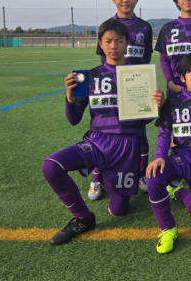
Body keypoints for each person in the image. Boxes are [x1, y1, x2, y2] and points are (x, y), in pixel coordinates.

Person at [42, 19, 164, 245]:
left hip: (127, 147)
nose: (113, 45)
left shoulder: (139, 75)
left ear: (127, 43)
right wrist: (69, 96)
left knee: (118, 212)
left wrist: (156, 106)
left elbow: (144, 120)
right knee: (51, 166)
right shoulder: (87, 77)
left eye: (119, 40)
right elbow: (73, 120)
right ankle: (83, 217)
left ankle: (107, 181)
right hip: (96, 142)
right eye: (108, 41)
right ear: (100, 43)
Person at [146, 53, 191, 254]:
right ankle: (168, 229)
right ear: (182, 77)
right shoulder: (173, 101)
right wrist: (159, 156)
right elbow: (164, 133)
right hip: (181, 156)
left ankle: (177, 191)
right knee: (153, 177)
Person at [91, 0, 154, 200]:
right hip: (111, 89)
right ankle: (97, 178)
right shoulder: (106, 26)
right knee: (103, 133)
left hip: (136, 89)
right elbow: (103, 61)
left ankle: (141, 175)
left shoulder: (144, 27)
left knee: (139, 132)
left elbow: (145, 58)